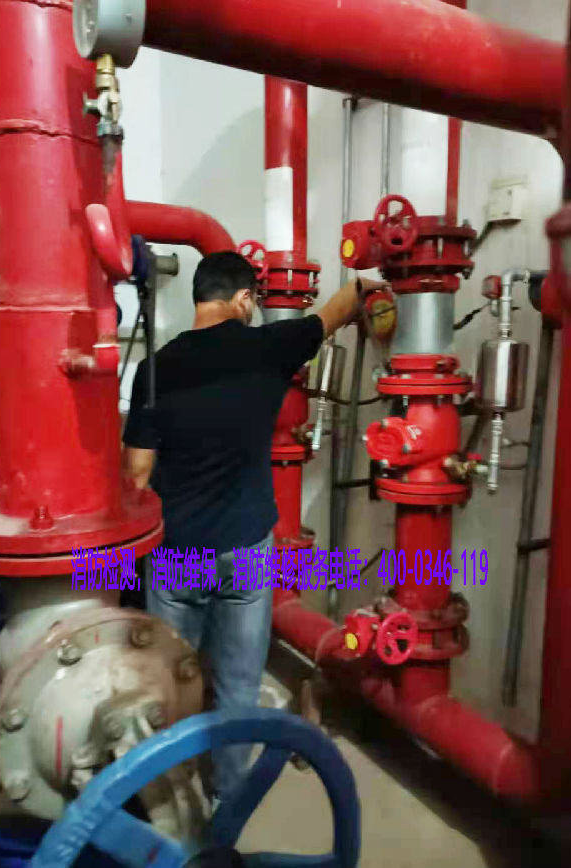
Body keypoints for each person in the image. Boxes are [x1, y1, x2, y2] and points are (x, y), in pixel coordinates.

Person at [122, 250, 382, 804]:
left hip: (176, 551)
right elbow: (336, 311)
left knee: (168, 683)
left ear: (200, 297)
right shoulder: (270, 347)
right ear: (243, 299)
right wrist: (368, 286)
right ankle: (227, 805)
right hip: (245, 548)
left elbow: (137, 473)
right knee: (238, 686)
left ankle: (170, 804)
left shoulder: (153, 369)